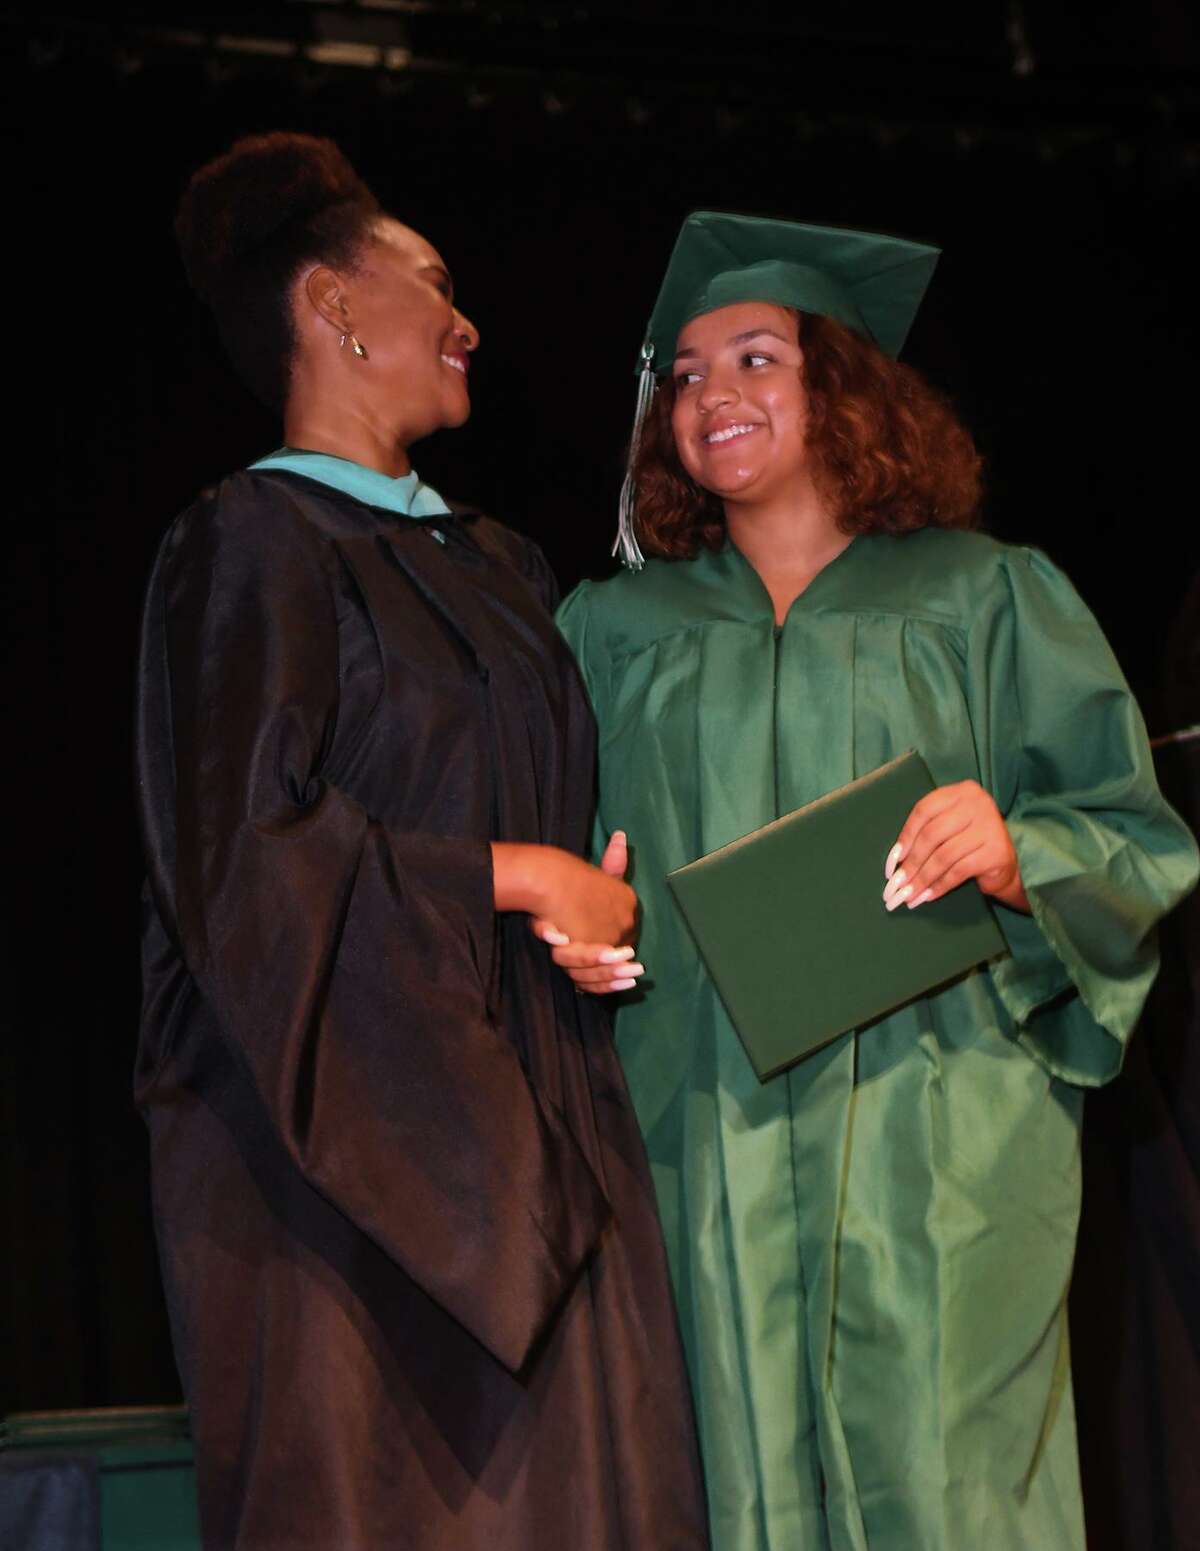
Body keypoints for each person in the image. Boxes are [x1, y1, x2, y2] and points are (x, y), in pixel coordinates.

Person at [553, 210, 1200, 1551]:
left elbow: (1132, 834)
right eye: (684, 374)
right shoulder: (608, 634)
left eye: (754, 358)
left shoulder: (989, 600)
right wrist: (569, 921)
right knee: (724, 1480)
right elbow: (556, 860)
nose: (712, 395)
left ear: (842, 381)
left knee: (952, 1482)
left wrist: (1026, 852)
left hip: (943, 1129)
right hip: (704, 1128)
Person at [135, 133, 707, 1550]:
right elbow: (248, 870)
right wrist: (512, 878)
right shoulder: (249, 543)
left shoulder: (503, 568)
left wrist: (582, 925)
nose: (468, 322)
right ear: (332, 305)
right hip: (341, 1172)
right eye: (431, 284)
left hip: (551, 1125)